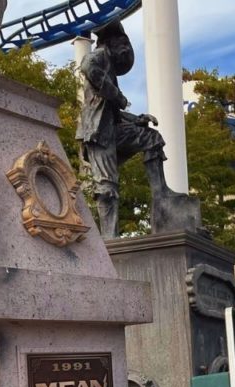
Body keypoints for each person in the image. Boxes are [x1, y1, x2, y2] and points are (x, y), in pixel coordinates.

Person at [76, 20, 178, 238]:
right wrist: (118, 95)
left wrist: (136, 119)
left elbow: (113, 111)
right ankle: (109, 241)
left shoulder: (110, 67)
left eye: (126, 43)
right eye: (121, 42)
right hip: (98, 134)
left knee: (151, 138)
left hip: (113, 129)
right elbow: (87, 66)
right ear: (109, 42)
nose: (125, 47)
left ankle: (161, 195)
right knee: (107, 189)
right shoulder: (101, 55)